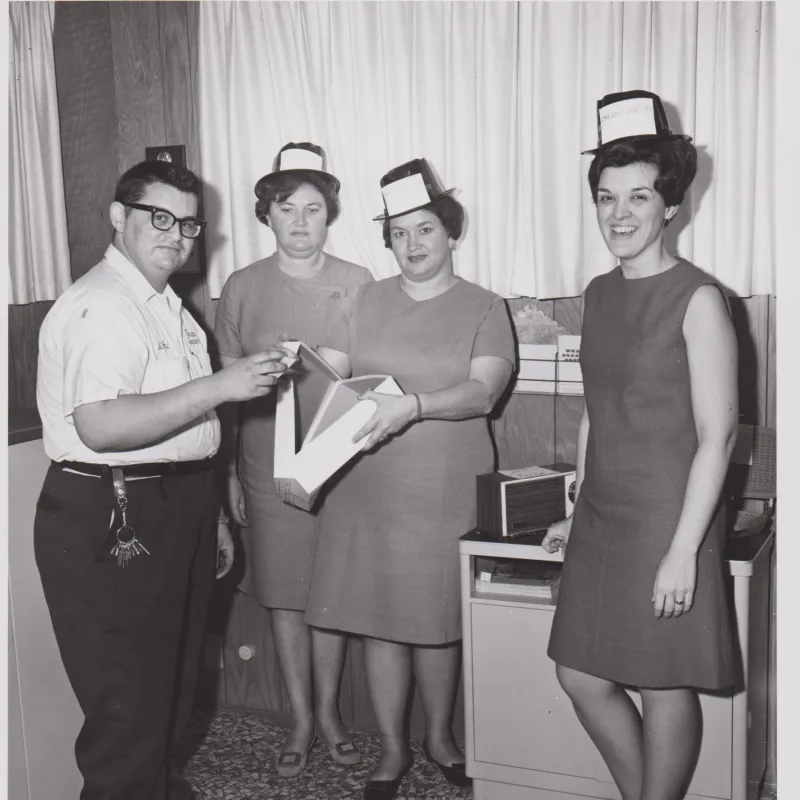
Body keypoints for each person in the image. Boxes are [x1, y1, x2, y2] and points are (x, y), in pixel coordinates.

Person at [35, 159, 289, 800]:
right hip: (113, 510)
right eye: (159, 218)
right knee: (129, 710)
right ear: (119, 217)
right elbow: (100, 425)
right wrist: (223, 385)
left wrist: (212, 515)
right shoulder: (104, 304)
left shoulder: (164, 303)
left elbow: (182, 428)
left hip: (172, 503)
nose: (176, 234)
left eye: (189, 224)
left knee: (168, 695)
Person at [542, 90, 739, 800]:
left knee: (663, 681)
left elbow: (717, 437)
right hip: (603, 512)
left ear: (671, 206)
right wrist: (575, 503)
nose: (619, 214)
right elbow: (598, 410)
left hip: (668, 515)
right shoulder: (597, 294)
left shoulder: (700, 300)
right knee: (580, 675)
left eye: (638, 197)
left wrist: (684, 549)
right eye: (605, 198)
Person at [304, 158, 515, 800]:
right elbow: (328, 379)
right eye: (399, 232)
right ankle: (394, 746)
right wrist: (299, 397)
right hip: (366, 490)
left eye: (425, 229)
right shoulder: (362, 299)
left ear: (450, 233)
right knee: (380, 620)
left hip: (442, 490)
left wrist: (413, 406)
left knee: (437, 619)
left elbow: (482, 392)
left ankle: (441, 738)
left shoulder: (485, 306)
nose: (412, 244)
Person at [213, 142, 373, 777]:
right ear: (267, 215)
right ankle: (300, 719)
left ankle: (331, 715)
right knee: (283, 596)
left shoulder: (358, 282)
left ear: (329, 215)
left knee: (328, 593)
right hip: (262, 464)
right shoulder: (242, 286)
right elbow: (221, 385)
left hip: (338, 466)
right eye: (287, 208)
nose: (301, 221)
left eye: (314, 208)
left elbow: (368, 376)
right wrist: (226, 471)